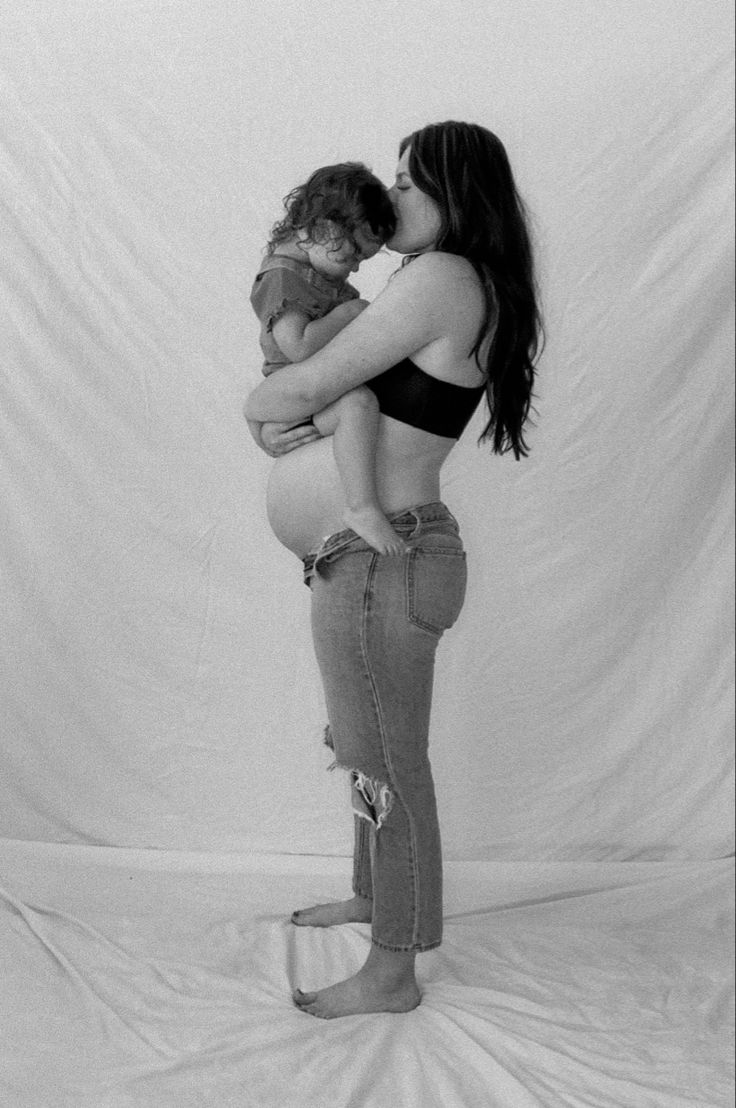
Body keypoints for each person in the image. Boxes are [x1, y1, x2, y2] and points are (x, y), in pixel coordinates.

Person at [245, 120, 543, 1019]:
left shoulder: (441, 277)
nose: (393, 194)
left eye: (412, 181)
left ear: (457, 194)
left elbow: (296, 385)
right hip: (364, 559)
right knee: (364, 750)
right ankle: (376, 898)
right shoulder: (455, 284)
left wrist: (258, 407)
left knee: (388, 760)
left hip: (385, 556)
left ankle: (392, 970)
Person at [249, 163, 406, 555]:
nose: (354, 268)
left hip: (311, 391)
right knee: (359, 404)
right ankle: (362, 507)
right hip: (292, 387)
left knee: (361, 407)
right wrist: (346, 316)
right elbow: (297, 346)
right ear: (325, 228)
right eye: (353, 255)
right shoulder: (283, 276)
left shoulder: (316, 271)